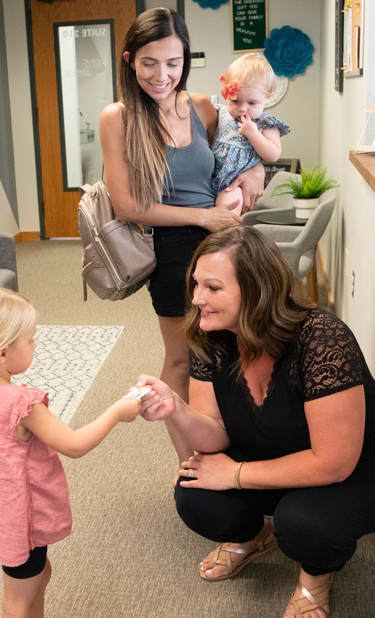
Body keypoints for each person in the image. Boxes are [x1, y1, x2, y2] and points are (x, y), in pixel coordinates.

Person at [136, 227, 375, 618]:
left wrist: (236, 474)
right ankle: (253, 537)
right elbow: (216, 433)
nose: (196, 299)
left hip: (355, 466)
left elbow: (334, 463)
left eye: (212, 287)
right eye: (195, 285)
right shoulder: (211, 336)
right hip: (274, 449)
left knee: (304, 525)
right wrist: (178, 410)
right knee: (196, 495)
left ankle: (316, 576)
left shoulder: (322, 340)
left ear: (256, 291)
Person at [100, 8, 267, 464]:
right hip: (174, 249)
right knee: (181, 359)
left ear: (185, 61)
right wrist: (202, 218)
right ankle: (188, 462)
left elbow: (236, 151)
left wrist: (255, 172)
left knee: (233, 351)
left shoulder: (204, 108)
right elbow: (128, 206)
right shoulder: (117, 118)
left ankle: (234, 446)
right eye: (150, 62)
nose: (162, 75)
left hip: (224, 243)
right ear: (130, 60)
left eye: (173, 63)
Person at [0, 285, 142, 618]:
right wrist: (116, 412)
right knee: (15, 605)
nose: (36, 344)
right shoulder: (22, 405)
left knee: (38, 577)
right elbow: (74, 444)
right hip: (20, 518)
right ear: (2, 354)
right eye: (31, 339)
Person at [211, 53, 291, 214]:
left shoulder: (265, 123)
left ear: (267, 98)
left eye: (252, 103)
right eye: (235, 101)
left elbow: (273, 155)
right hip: (210, 178)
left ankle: (225, 237)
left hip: (236, 186)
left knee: (226, 211)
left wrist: (254, 134)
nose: (242, 108)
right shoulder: (220, 113)